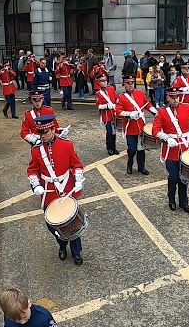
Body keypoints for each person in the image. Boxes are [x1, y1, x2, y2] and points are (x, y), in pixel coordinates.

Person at [26, 114, 85, 265]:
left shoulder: (66, 145)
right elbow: (32, 170)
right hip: (48, 192)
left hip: (66, 188)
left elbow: (76, 165)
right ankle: (62, 244)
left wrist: (78, 180)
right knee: (53, 225)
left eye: (45, 132)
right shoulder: (36, 150)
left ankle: (77, 252)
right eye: (40, 133)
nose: (43, 136)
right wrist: (36, 185)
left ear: (53, 129)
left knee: (71, 221)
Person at [152, 86, 189, 213]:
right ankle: (171, 198)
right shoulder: (162, 112)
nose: (175, 100)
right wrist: (166, 138)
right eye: (172, 97)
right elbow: (155, 130)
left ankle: (184, 202)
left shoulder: (187, 107)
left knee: (185, 177)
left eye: (176, 97)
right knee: (173, 177)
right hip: (171, 150)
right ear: (167, 97)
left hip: (185, 148)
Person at [115, 74, 158, 175]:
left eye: (132, 83)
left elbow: (147, 104)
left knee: (141, 148)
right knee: (132, 149)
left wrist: (154, 111)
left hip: (141, 125)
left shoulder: (139, 93)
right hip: (130, 127)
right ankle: (129, 164)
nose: (130, 85)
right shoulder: (121, 97)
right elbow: (118, 111)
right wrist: (129, 114)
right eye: (128, 83)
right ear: (124, 84)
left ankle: (141, 167)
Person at [94, 72, 120, 156]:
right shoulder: (98, 93)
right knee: (109, 132)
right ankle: (109, 148)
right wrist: (106, 106)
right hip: (106, 116)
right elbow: (98, 106)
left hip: (114, 114)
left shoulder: (111, 88)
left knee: (114, 132)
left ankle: (114, 147)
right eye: (102, 81)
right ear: (99, 82)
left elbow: (116, 98)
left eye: (105, 80)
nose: (104, 82)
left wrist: (116, 102)